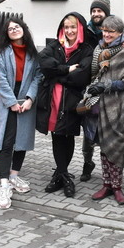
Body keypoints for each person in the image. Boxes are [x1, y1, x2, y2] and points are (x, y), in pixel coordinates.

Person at [85, 16, 124, 205]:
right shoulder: (99, 50)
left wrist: (106, 85)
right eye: (105, 30)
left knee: (116, 144)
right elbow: (93, 73)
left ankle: (117, 187)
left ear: (120, 33)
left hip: (119, 106)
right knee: (104, 145)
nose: (107, 34)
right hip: (100, 105)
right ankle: (106, 184)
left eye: (112, 31)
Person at [36, 12, 94, 198]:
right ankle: (63, 176)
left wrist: (57, 74)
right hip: (53, 100)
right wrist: (67, 69)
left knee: (67, 135)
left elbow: (81, 76)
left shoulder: (86, 49)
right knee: (57, 136)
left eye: (73, 27)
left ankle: (61, 175)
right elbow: (44, 64)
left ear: (80, 29)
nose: (69, 31)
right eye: (66, 27)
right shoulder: (54, 45)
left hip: (71, 101)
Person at [0, 17, 41, 209]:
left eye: (17, 27)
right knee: (7, 142)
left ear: (24, 29)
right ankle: (4, 185)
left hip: (26, 100)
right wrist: (11, 102)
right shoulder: (1, 53)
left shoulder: (32, 52)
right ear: (6, 33)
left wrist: (30, 99)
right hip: (7, 102)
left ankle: (14, 176)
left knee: (21, 142)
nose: (14, 30)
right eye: (10, 28)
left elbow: (38, 76)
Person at [80, 0, 111, 182]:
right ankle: (87, 163)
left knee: (107, 131)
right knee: (88, 130)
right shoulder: (86, 32)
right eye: (93, 11)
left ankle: (109, 172)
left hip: (108, 89)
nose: (96, 13)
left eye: (99, 10)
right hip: (89, 87)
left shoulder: (113, 29)